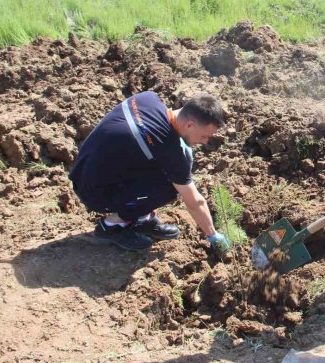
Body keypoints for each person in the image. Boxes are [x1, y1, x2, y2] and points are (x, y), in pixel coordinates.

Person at [69, 91, 231, 252]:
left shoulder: (148, 98)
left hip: (84, 170)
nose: (205, 141)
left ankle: (141, 218)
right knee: (170, 186)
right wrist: (213, 234)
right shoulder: (169, 149)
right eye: (204, 136)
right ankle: (113, 225)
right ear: (189, 124)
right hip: (93, 193)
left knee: (161, 167)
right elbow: (195, 202)